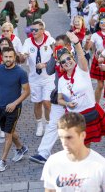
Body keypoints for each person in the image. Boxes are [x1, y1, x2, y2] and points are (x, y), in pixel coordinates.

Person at [57, 32, 105, 145]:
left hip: (89, 113)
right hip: (73, 117)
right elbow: (59, 100)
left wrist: (77, 43)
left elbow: (81, 55)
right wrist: (67, 104)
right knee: (75, 145)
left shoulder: (81, 70)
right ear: (61, 66)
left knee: (85, 145)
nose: (67, 62)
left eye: (68, 58)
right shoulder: (61, 80)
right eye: (63, 62)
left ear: (72, 58)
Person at [41, 112, 105, 192]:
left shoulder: (102, 166)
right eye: (61, 137)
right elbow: (50, 190)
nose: (64, 143)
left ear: (83, 135)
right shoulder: (53, 162)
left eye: (69, 137)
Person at [30, 35, 71, 164]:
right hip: (59, 96)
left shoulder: (73, 56)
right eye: (56, 46)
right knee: (53, 124)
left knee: (76, 126)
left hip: (74, 97)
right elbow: (49, 71)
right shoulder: (56, 56)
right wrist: (54, 56)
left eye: (60, 46)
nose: (58, 49)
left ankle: (78, 153)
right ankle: (43, 153)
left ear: (68, 46)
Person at [0, 47, 30, 172]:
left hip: (14, 108)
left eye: (10, 57)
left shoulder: (21, 73)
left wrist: (15, 103)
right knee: (9, 131)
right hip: (1, 106)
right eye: (6, 57)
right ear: (2, 57)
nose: (8, 59)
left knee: (7, 135)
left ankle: (2, 161)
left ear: (15, 57)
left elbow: (27, 92)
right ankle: (21, 148)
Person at [21, 19, 55, 137]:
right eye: (32, 30)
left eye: (36, 30)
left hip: (48, 77)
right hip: (34, 78)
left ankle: (49, 124)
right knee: (37, 102)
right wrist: (23, 56)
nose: (33, 32)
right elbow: (22, 58)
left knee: (47, 102)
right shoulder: (28, 41)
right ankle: (39, 125)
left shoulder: (50, 41)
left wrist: (45, 65)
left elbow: (56, 56)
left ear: (42, 30)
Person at [87, 13, 105, 102]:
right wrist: (87, 43)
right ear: (98, 24)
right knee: (100, 85)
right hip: (99, 60)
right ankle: (96, 104)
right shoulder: (95, 35)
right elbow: (87, 48)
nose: (103, 24)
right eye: (101, 22)